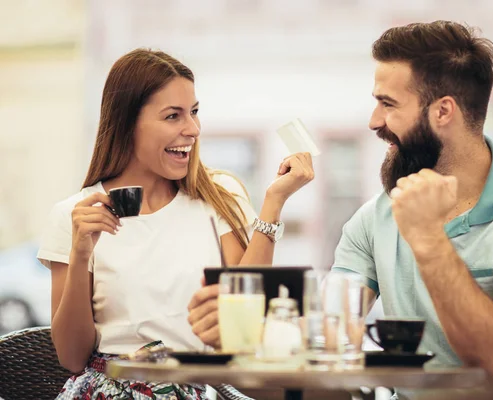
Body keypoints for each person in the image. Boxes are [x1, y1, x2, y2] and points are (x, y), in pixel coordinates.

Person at [37, 48, 314, 399]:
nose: (193, 129)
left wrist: (274, 203)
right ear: (127, 123)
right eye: (173, 116)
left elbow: (244, 317)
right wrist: (80, 254)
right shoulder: (75, 215)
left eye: (194, 112)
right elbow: (72, 356)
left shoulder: (218, 197)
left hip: (204, 387)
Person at [330, 20, 493, 389]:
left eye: (388, 104)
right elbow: (328, 332)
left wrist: (429, 239)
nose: (374, 122)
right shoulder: (374, 218)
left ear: (443, 112)